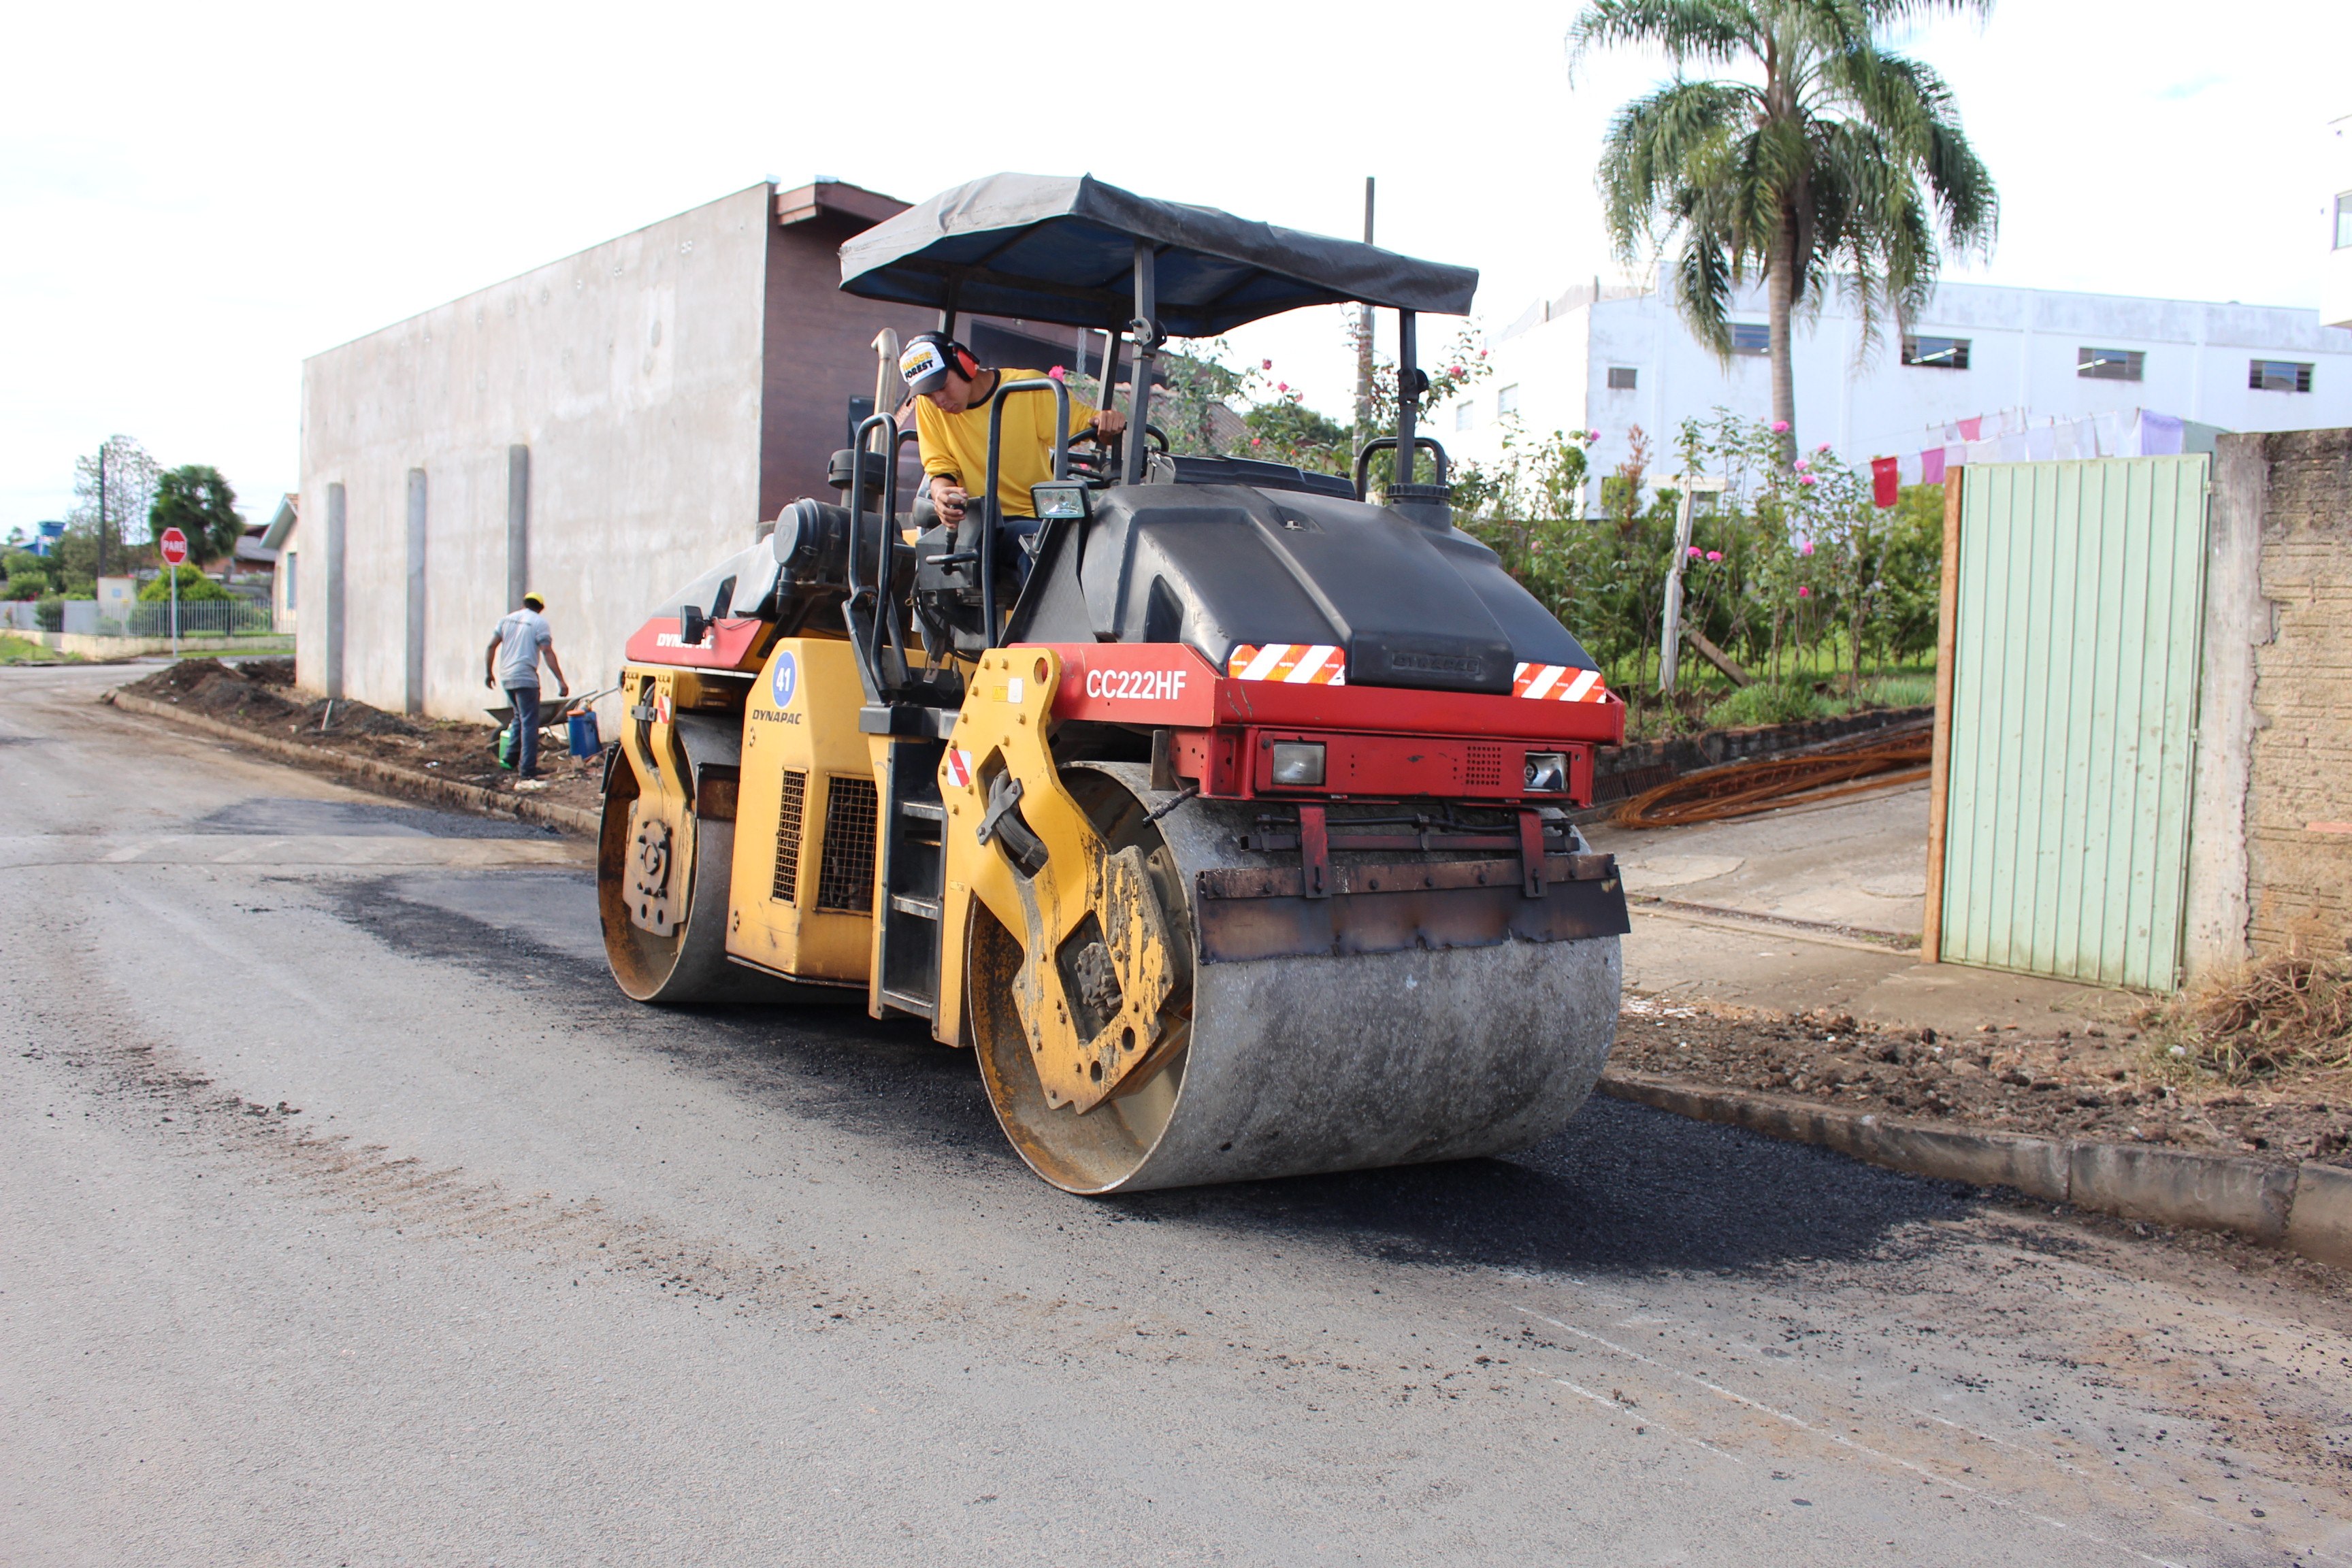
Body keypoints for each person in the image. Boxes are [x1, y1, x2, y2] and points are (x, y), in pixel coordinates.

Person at [898, 333, 1126, 575]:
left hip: (1045, 514)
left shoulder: (1030, 388)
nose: (939, 401)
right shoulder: (929, 407)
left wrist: (1107, 422)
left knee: (1103, 543)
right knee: (1042, 548)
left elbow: (1089, 425)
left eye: (942, 387)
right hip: (985, 525)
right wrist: (942, 495)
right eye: (930, 395)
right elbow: (940, 467)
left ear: (965, 364)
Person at [483, 592, 568, 779]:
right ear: (540, 608)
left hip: (507, 677)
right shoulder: (539, 623)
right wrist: (561, 680)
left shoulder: (506, 620)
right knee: (530, 723)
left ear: (524, 603)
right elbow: (546, 650)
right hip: (526, 678)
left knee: (519, 717)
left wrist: (489, 673)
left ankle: (509, 759)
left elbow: (491, 646)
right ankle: (527, 769)